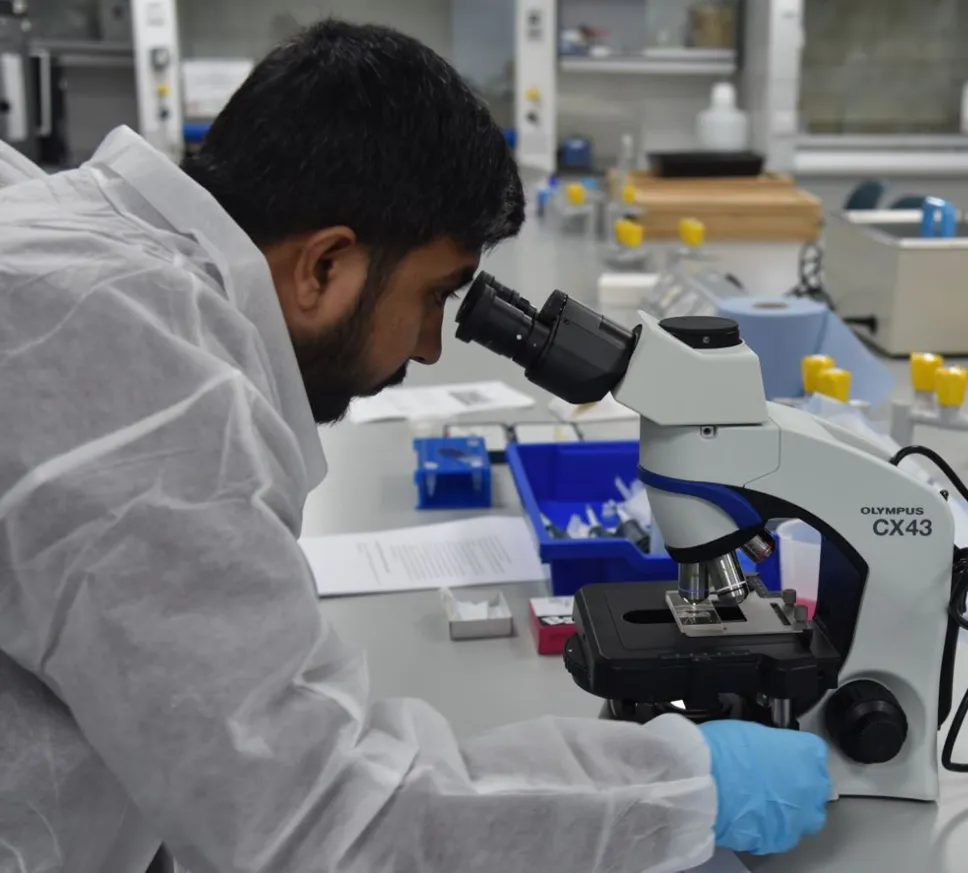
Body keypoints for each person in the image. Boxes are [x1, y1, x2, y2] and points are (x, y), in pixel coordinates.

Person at [0, 20, 830, 873]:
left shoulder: (72, 248)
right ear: (324, 265)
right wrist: (688, 790)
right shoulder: (143, 380)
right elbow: (321, 823)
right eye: (434, 295)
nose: (430, 347)